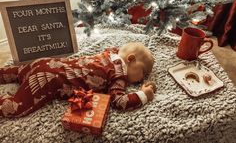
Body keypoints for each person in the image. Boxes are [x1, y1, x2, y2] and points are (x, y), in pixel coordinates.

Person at [0, 42, 156, 117]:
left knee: (17, 72)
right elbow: (119, 102)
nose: (142, 79)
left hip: (44, 62)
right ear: (130, 59)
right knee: (15, 108)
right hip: (48, 79)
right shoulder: (119, 73)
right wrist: (143, 95)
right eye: (143, 72)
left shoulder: (109, 53)